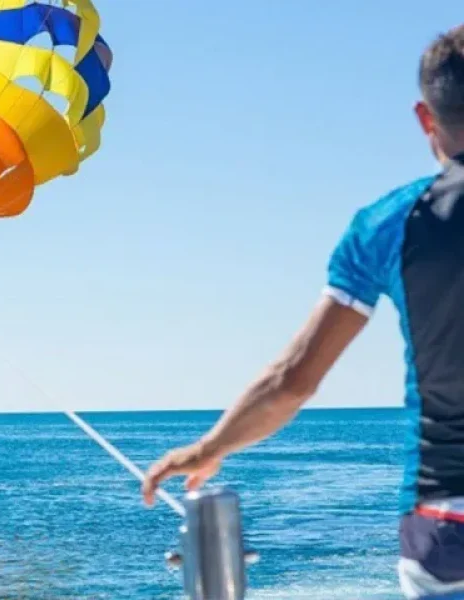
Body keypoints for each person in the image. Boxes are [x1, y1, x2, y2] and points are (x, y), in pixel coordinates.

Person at [142, 25, 464, 600]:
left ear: (425, 117)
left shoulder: (388, 224)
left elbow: (292, 380)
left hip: (444, 529)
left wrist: (207, 448)